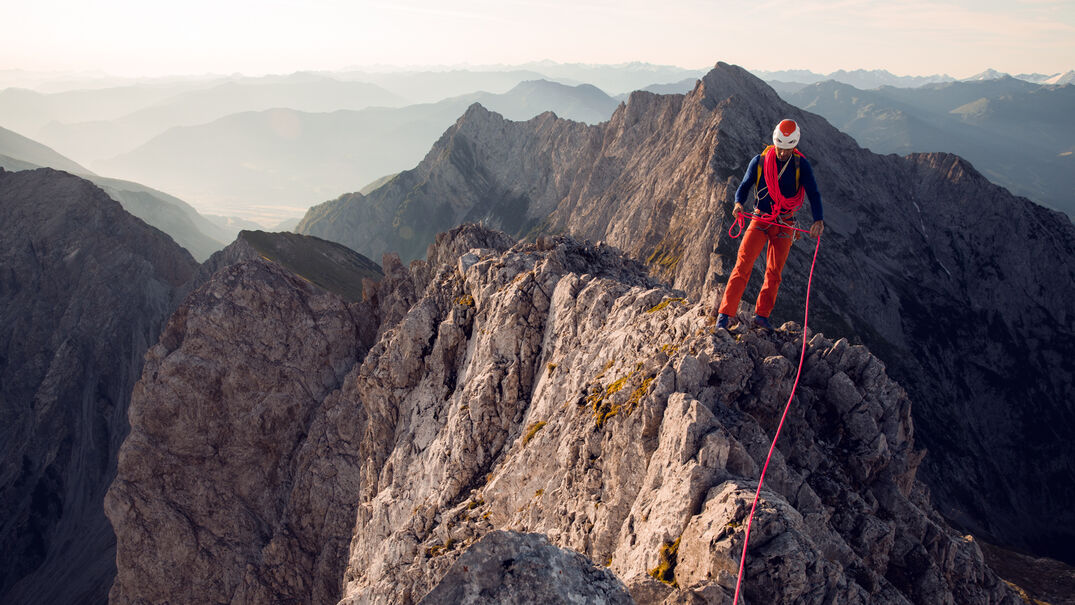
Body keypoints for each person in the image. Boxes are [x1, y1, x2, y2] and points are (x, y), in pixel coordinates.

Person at [715, 119, 824, 330]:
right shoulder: (760, 161)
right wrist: (738, 203)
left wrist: (818, 220)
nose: (783, 153)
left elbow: (814, 193)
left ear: (795, 145)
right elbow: (744, 185)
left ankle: (761, 316)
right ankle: (725, 314)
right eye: (780, 148)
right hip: (761, 219)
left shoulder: (802, 165)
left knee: (774, 273)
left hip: (784, 224)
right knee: (742, 266)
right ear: (775, 143)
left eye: (787, 149)